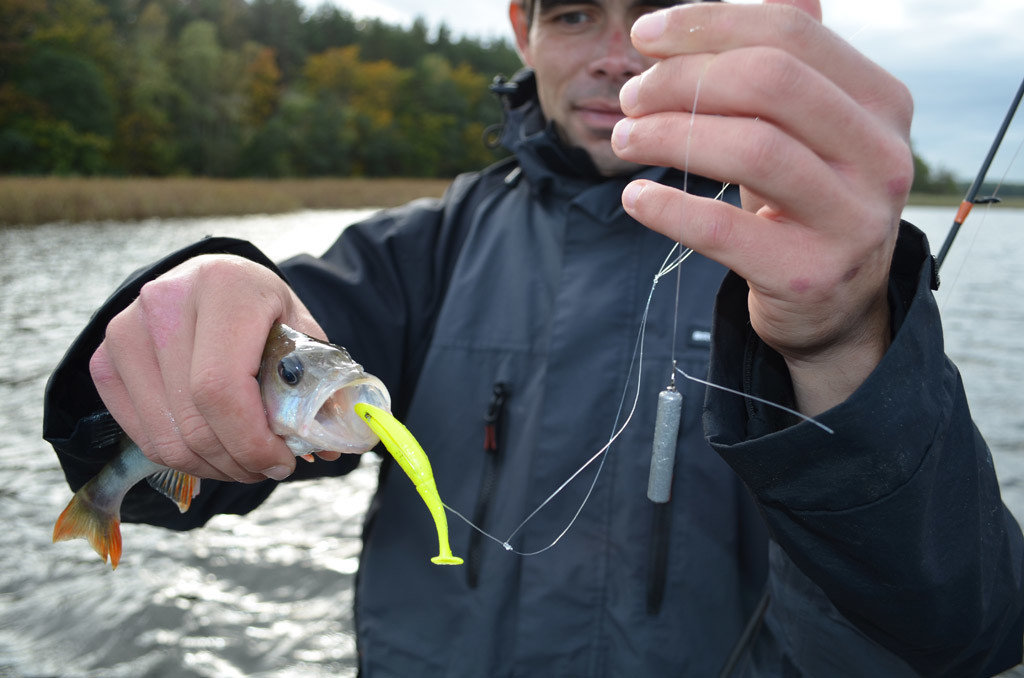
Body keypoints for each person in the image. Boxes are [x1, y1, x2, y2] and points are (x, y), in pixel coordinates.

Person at [44, 0, 1024, 675]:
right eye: (571, 13)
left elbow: (960, 630)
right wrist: (173, 324)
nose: (614, 52)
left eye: (656, 13)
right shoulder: (418, 255)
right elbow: (190, 468)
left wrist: (843, 347)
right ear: (522, 29)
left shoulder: (822, 265)